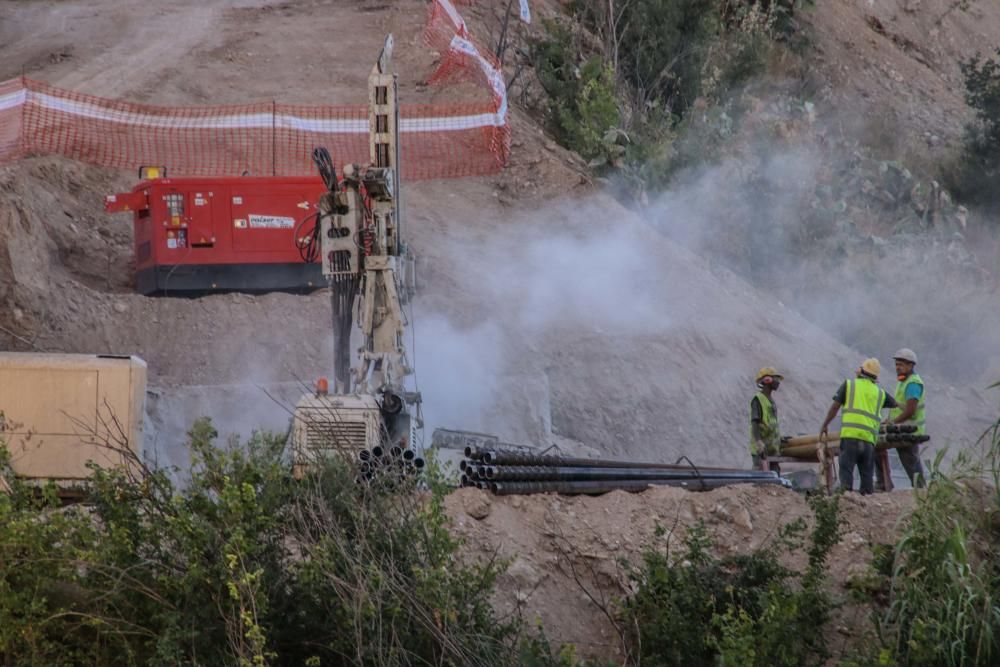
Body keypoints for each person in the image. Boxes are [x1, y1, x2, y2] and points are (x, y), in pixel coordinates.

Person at [819, 358, 898, 494]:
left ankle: (847, 504)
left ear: (861, 371)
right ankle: (866, 506)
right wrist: (890, 420)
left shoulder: (849, 385)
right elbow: (896, 404)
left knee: (846, 474)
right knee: (867, 478)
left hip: (850, 438)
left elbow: (834, 408)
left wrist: (825, 425)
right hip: (869, 441)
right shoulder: (880, 393)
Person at [876, 347, 926, 489]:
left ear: (910, 365)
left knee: (910, 461)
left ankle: (921, 490)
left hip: (910, 429)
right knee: (877, 447)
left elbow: (910, 410)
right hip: (901, 427)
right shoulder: (903, 382)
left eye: (901, 364)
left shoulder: (912, 384)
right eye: (896, 364)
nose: (897, 367)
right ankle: (884, 483)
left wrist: (893, 422)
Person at [750, 367, 783, 474]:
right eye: (776, 379)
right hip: (762, 448)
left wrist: (779, 438)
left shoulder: (771, 401)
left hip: (772, 448)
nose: (778, 382)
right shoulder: (758, 399)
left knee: (775, 479)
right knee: (761, 480)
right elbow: (755, 422)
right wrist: (759, 442)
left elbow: (771, 423)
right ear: (767, 380)